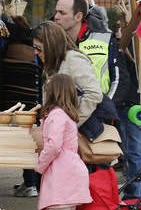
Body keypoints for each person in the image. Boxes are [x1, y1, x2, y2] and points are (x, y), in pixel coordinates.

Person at [16, 21, 103, 198]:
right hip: (61, 140)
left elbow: (94, 93)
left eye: (39, 48)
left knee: (69, 191)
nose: (36, 53)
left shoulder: (72, 59)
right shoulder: (53, 63)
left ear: (50, 44)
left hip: (74, 140)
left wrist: (71, 123)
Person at [36, 73, 92, 210]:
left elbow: (53, 145)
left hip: (61, 173)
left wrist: (40, 166)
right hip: (72, 171)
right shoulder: (66, 115)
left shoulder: (56, 115)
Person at [113, 15, 141, 199]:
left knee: (134, 150)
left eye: (120, 25)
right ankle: (138, 193)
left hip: (131, 103)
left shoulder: (134, 43)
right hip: (139, 101)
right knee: (136, 150)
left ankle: (135, 196)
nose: (117, 29)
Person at [54, 0, 119, 98]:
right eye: (56, 12)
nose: (56, 17)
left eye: (62, 13)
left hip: (100, 109)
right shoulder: (52, 43)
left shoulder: (105, 39)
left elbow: (118, 80)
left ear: (78, 16)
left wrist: (106, 107)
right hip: (61, 111)